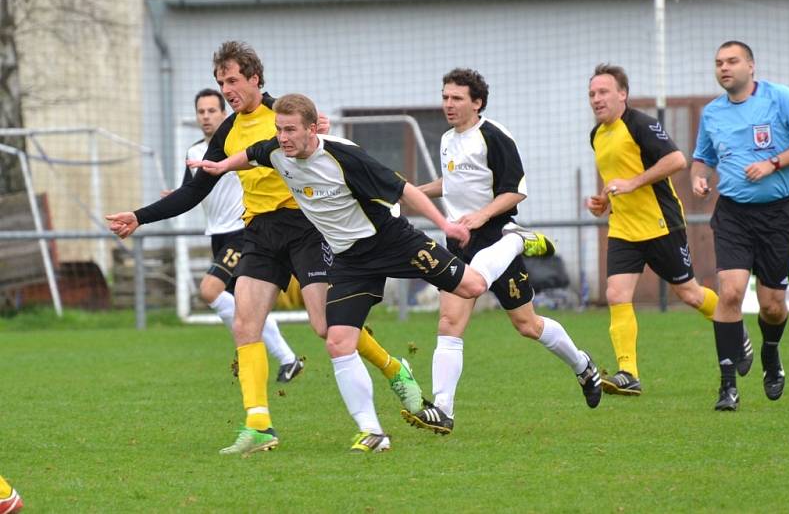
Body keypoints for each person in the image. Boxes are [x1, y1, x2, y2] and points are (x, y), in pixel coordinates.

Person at [191, 92, 563, 452]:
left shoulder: (344, 157)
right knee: (337, 341)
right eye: (279, 130)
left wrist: (444, 225)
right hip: (351, 261)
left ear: (312, 130)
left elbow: (406, 192)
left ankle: (515, 240)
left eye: (290, 130)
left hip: (392, 241)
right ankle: (372, 432)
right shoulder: (274, 150)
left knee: (473, 286)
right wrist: (221, 166)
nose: (282, 138)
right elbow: (250, 154)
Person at [106, 41, 424, 456]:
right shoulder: (228, 130)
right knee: (244, 324)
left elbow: (329, 156)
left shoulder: (284, 117)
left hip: (306, 227)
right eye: (221, 82)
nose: (227, 90)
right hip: (258, 232)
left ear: (255, 79)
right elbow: (193, 192)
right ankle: (259, 425)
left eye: (233, 80)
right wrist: (139, 216)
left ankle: (395, 370)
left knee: (326, 325)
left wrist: (320, 132)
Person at [400, 68, 601, 435]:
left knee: (528, 325)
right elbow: (454, 182)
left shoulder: (494, 136)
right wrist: (410, 192)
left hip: (496, 237)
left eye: (456, 98)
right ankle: (443, 410)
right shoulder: (447, 139)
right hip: (458, 241)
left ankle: (583, 365)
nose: (448, 104)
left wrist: (482, 215)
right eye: (445, 96)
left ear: (476, 102)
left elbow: (516, 190)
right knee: (449, 323)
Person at [586, 63, 751, 396]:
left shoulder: (641, 124)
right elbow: (617, 176)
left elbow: (677, 160)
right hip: (623, 228)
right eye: (591, 93)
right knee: (616, 295)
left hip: (660, 224)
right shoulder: (597, 135)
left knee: (688, 294)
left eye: (603, 92)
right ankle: (628, 372)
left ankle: (735, 327)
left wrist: (633, 183)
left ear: (623, 94)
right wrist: (604, 200)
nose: (596, 99)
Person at [691, 41, 789, 411]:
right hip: (734, 213)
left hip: (779, 214)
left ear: (751, 66)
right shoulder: (712, 113)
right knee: (731, 293)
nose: (724, 68)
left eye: (732, 61)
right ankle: (727, 386)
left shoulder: (780, 98)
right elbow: (701, 158)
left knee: (772, 306)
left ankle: (770, 353)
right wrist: (699, 179)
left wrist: (773, 163)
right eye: (718, 62)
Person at [170, 88, 303, 382]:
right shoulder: (195, 152)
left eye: (212, 111)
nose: (206, 116)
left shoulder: (236, 145)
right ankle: (286, 358)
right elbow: (190, 190)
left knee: (209, 290)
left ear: (223, 113)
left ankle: (251, 344)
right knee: (243, 306)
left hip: (241, 233)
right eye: (201, 112)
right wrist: (173, 198)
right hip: (216, 234)